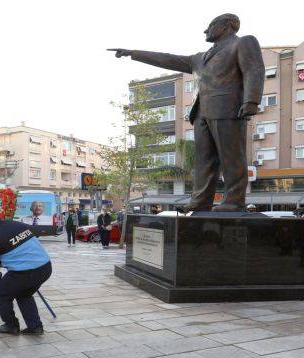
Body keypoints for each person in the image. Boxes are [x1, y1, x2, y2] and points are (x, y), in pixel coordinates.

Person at [109, 13, 265, 212]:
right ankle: (201, 201)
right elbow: (168, 59)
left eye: (210, 25)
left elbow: (254, 70)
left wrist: (251, 101)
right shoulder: (201, 57)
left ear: (226, 26)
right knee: (204, 160)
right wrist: (133, 53)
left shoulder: (243, 42)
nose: (205, 30)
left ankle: (234, 201)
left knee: (231, 156)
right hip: (201, 112)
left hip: (228, 108)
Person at [0, 208, 52, 335]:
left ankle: (11, 325)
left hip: (26, 271)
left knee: (0, 293)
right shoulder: (15, 224)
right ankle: (35, 327)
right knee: (24, 294)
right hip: (45, 266)